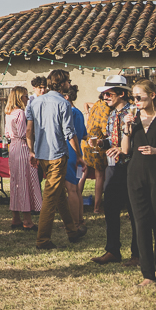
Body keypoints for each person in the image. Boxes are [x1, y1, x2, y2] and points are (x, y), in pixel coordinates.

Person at [114, 80, 156, 286]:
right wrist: (126, 128)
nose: (135, 101)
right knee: (140, 223)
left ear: (152, 95)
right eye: (132, 98)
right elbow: (125, 150)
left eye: (139, 97)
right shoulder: (133, 119)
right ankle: (147, 275)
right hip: (135, 175)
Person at [25, 70, 86, 251]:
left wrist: (31, 150)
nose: (70, 83)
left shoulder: (34, 102)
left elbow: (29, 130)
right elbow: (69, 132)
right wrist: (80, 156)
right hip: (57, 154)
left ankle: (72, 231)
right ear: (63, 83)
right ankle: (43, 241)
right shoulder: (63, 103)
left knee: (59, 196)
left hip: (42, 154)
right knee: (51, 199)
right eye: (68, 81)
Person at [89, 76, 140, 266]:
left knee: (135, 211)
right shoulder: (111, 114)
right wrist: (102, 142)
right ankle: (112, 251)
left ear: (121, 93)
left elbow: (138, 140)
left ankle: (137, 253)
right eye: (103, 94)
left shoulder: (133, 113)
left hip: (131, 165)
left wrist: (122, 148)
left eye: (108, 94)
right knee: (110, 207)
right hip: (113, 166)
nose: (104, 97)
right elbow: (113, 140)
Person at [5, 86, 41, 230]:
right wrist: (32, 149)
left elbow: (8, 133)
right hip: (22, 147)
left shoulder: (9, 113)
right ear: (20, 98)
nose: (28, 99)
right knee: (26, 181)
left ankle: (16, 218)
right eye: (26, 96)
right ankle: (27, 220)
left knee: (15, 182)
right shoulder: (20, 113)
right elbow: (23, 133)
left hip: (13, 147)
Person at [82, 93, 111, 214]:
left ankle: (77, 200)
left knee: (85, 172)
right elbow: (106, 131)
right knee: (100, 176)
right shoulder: (106, 108)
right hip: (98, 144)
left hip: (87, 142)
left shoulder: (97, 104)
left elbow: (86, 104)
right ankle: (97, 207)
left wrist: (88, 114)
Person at [64, 86, 87, 231]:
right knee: (77, 189)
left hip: (70, 152)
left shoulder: (69, 113)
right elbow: (84, 134)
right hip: (78, 151)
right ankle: (80, 220)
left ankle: (75, 224)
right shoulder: (79, 112)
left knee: (71, 190)